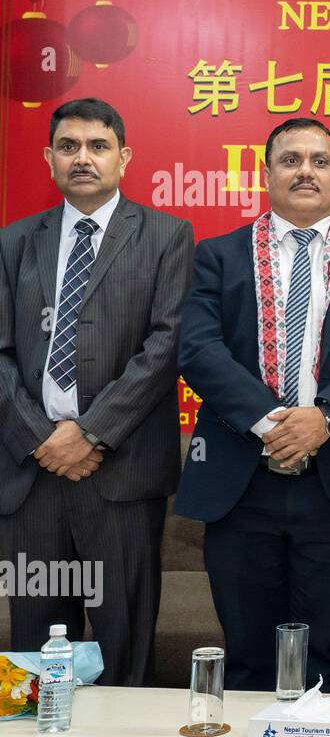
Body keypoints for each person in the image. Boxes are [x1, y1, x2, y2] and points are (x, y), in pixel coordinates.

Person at [174, 117, 330, 692]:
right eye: (290, 159)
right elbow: (198, 349)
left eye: (319, 160)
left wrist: (323, 420)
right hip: (240, 480)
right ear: (266, 174)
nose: (305, 170)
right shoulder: (220, 255)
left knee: (325, 655)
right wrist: (272, 424)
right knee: (248, 656)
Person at [0, 97, 193, 686]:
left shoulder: (166, 235)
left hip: (122, 475)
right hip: (33, 479)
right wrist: (43, 440)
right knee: (36, 655)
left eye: (98, 146)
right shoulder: (14, 242)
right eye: (69, 147)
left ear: (123, 157)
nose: (83, 158)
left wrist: (89, 432)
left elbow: (165, 348)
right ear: (49, 159)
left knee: (123, 645)